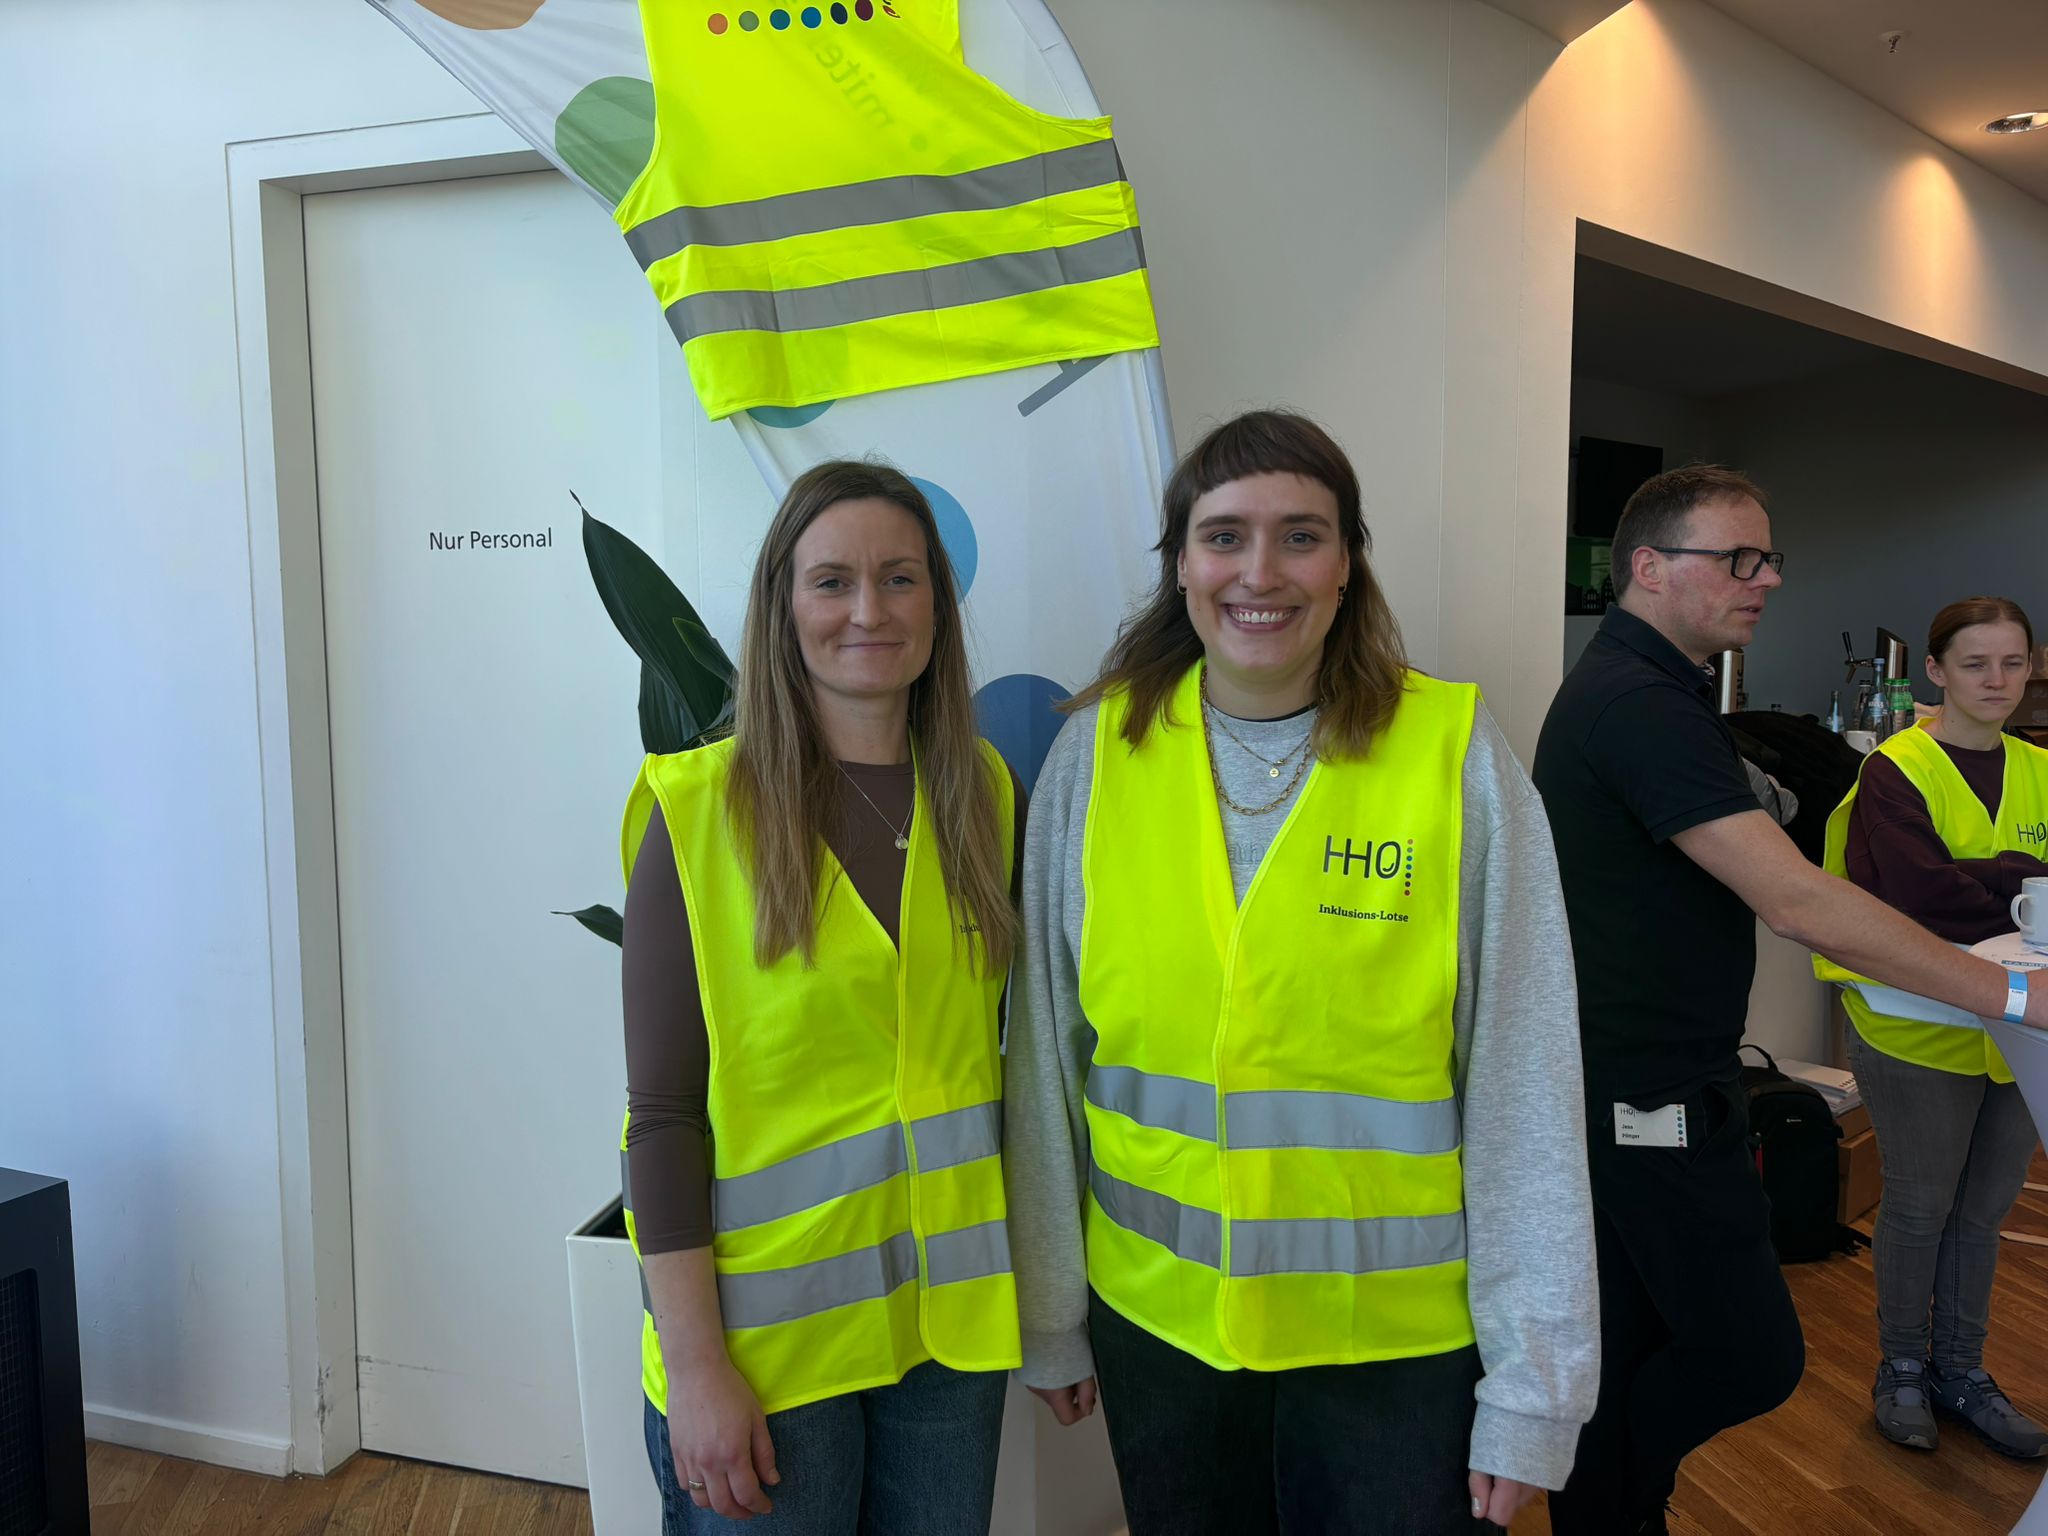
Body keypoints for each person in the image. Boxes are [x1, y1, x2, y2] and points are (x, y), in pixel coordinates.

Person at [1004, 409, 1599, 1535]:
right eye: (1224, 536)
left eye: (1301, 536)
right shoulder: (1096, 756)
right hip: (1161, 1336)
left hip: (1393, 1354)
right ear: (1181, 564)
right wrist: (1050, 1314)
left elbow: (1525, 1081)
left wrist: (1535, 1388)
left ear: (1346, 565)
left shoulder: (1454, 758)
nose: (1259, 572)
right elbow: (1042, 1056)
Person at [1534, 468, 2048, 1535]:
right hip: (1644, 1089)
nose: (1764, 579)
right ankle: (1595, 1483)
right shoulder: (1637, 704)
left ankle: (1611, 1508)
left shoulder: (1654, 689)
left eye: (1767, 558)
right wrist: (2011, 992)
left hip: (1636, 1075)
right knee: (1748, 1355)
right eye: (1737, 559)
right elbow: (1797, 898)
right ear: (1647, 567)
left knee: (1634, 1333)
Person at [618, 460, 1026, 1533]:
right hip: (764, 1356)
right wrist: (695, 1369)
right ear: (782, 608)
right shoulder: (698, 814)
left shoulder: (985, 796)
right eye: (832, 581)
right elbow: (661, 1118)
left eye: (900, 579)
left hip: (946, 1340)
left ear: (936, 605)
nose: (868, 611)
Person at [1815, 597, 2048, 1458]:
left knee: (1982, 1212)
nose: (1997, 680)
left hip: (2017, 1025)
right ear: (1938, 672)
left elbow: (1960, 887)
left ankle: (1964, 1372)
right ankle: (1903, 1369)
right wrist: (2024, 876)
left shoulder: (2040, 768)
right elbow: (1921, 894)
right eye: (1975, 663)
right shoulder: (1896, 769)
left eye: (2013, 663)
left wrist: (1982, 874)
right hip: (1914, 1018)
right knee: (1920, 1205)